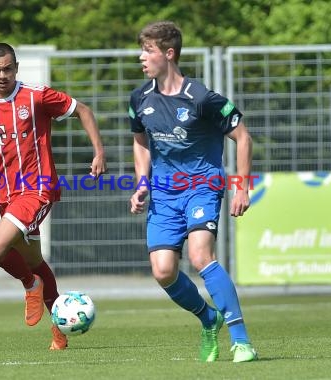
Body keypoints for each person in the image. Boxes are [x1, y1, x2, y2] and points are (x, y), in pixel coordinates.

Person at [0, 42, 106, 350]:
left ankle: (29, 285)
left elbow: (83, 111)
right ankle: (59, 329)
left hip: (38, 188)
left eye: (7, 68)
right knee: (34, 260)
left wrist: (99, 152)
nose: (2, 75)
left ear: (16, 67)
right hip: (6, 195)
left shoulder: (36, 95)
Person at [128, 21, 257, 363]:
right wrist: (142, 182)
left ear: (169, 54)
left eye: (149, 51)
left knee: (201, 257)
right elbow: (140, 142)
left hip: (202, 185)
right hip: (164, 194)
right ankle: (208, 318)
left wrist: (241, 188)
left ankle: (242, 341)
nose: (142, 57)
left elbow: (243, 137)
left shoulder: (201, 98)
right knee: (163, 271)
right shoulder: (140, 98)